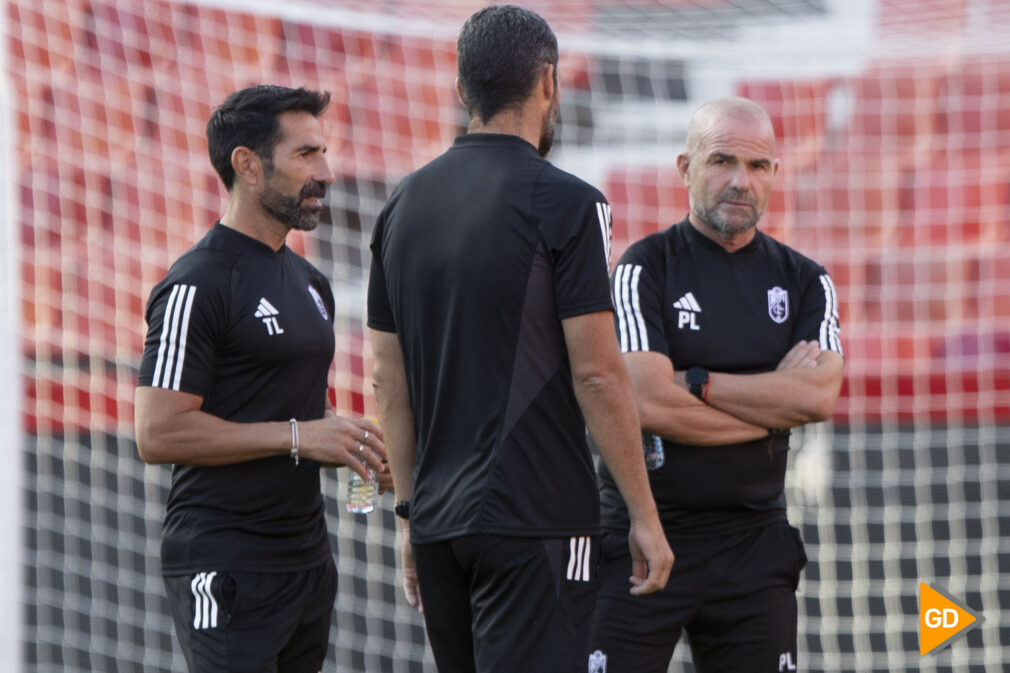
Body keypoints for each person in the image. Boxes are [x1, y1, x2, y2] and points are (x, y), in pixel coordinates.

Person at [366, 6, 674, 673]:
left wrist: (409, 517)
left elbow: (387, 381)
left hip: (441, 525)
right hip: (535, 520)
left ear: (460, 90)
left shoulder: (400, 206)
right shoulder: (568, 202)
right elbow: (597, 373)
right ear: (547, 83)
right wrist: (644, 516)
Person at [134, 84, 390, 673]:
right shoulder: (195, 283)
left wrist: (350, 439)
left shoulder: (309, 282)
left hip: (304, 562)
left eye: (323, 153)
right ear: (247, 165)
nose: (325, 172)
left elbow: (296, 409)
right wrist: (300, 436)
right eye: (306, 155)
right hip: (223, 562)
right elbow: (158, 434)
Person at [587, 96, 845, 673]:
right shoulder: (642, 268)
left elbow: (817, 397)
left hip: (755, 544)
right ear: (685, 168)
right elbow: (647, 401)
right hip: (645, 535)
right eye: (722, 161)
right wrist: (771, 410)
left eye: (757, 167)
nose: (740, 181)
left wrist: (696, 380)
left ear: (775, 174)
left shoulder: (806, 282)